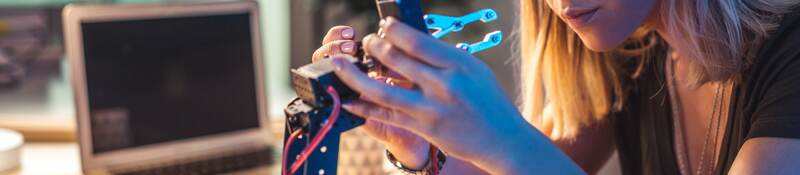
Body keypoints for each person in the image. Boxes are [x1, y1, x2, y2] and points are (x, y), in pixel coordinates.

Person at [311, 0, 800, 174]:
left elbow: (525, 162)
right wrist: (415, 145)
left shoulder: (792, 54)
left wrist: (503, 137)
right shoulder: (634, 50)